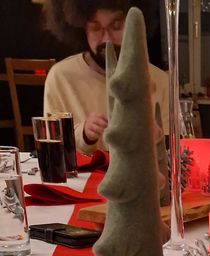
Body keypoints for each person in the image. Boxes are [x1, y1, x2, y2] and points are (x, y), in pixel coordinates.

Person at [43, 0, 168, 156]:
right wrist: (83, 135)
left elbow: (169, 149)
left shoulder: (159, 80)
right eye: (95, 28)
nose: (107, 39)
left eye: (116, 26)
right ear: (81, 29)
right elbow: (54, 150)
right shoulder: (61, 78)